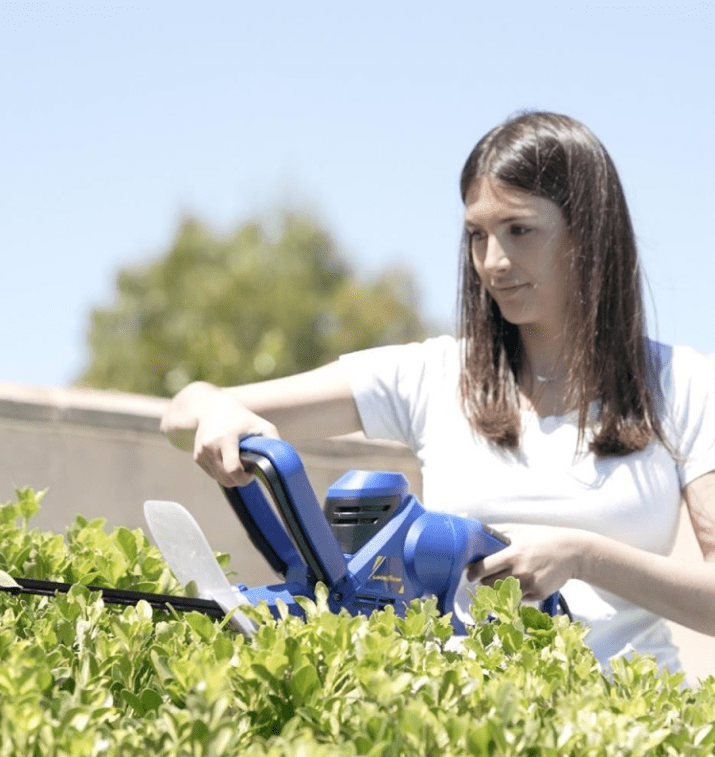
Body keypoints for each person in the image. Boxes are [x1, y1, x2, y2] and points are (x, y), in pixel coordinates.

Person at [161, 111, 715, 674]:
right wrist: (218, 410)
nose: (493, 262)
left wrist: (584, 556)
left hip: (631, 724)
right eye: (478, 235)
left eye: (519, 230)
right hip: (458, 716)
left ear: (589, 233)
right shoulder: (432, 375)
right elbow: (183, 411)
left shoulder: (685, 386)